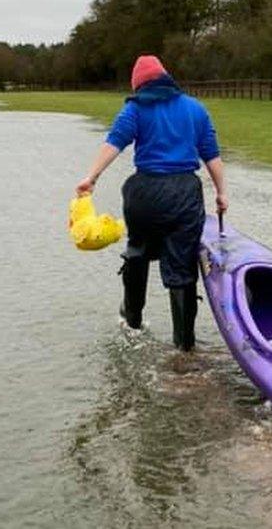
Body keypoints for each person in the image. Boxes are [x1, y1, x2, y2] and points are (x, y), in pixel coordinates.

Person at [76, 55, 227, 351]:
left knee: (138, 250)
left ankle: (132, 321)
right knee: (182, 268)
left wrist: (91, 177)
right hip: (184, 193)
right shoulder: (195, 109)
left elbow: (114, 143)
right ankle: (184, 347)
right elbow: (211, 154)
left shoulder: (136, 108)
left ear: (139, 85)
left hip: (144, 192)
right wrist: (221, 193)